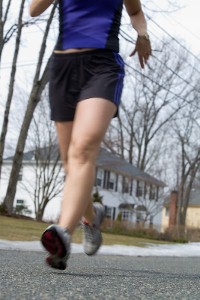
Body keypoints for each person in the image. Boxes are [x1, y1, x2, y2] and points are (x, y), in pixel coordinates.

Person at [29, 0, 152, 270]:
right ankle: (91, 216)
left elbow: (135, 11)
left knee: (83, 149)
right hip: (63, 65)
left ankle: (63, 232)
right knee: (70, 164)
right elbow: (33, 9)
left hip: (102, 67)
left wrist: (142, 34)